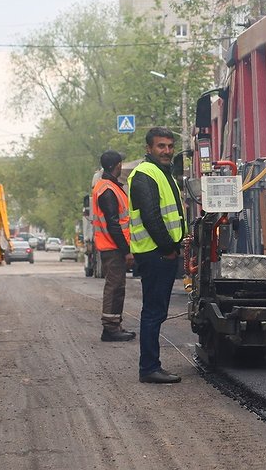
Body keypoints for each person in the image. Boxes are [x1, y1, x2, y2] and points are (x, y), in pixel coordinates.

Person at [127, 127, 186, 384]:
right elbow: (151, 217)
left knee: (156, 311)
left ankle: (150, 366)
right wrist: (169, 249)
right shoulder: (145, 174)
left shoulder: (164, 173)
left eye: (170, 146)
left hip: (160, 252)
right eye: (161, 146)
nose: (167, 151)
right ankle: (149, 368)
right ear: (148, 149)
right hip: (155, 254)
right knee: (153, 312)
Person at [92, 150, 135, 342]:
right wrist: (126, 250)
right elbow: (113, 223)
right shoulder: (107, 189)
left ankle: (114, 324)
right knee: (114, 286)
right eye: (120, 164)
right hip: (113, 247)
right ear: (115, 165)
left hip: (112, 246)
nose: (120, 166)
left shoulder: (110, 187)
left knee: (118, 286)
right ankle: (110, 328)